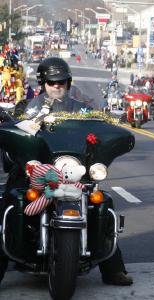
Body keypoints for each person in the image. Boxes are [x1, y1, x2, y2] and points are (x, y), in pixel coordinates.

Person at [0, 57, 133, 286]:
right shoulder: (26, 108)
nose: (57, 86)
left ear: (68, 83)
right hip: (33, 173)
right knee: (9, 204)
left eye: (62, 82)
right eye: (52, 82)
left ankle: (113, 270)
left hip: (71, 171)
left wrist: (107, 127)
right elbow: (11, 127)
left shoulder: (81, 109)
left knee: (102, 203)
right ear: (43, 83)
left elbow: (97, 125)